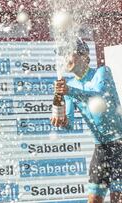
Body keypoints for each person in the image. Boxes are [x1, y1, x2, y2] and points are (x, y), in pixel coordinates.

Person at [51, 38, 122, 203]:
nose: (65, 58)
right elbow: (69, 124)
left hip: (120, 144)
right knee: (93, 200)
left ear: (84, 56)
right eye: (62, 55)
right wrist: (62, 122)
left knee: (118, 198)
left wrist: (70, 91)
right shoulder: (70, 86)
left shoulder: (102, 72)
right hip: (101, 149)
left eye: (69, 53)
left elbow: (100, 97)